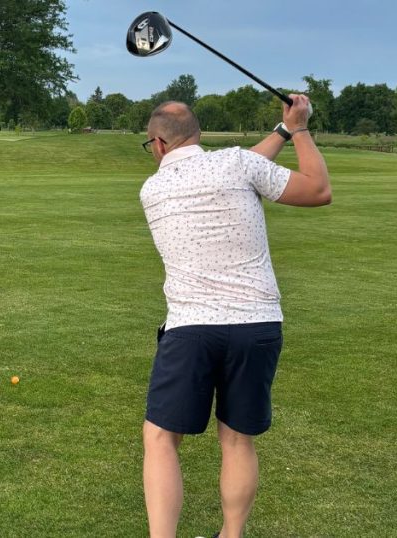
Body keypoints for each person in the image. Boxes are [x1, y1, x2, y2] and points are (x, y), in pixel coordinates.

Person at [139, 95, 330, 538]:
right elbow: (314, 187)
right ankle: (231, 535)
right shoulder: (237, 166)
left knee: (161, 438)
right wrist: (297, 129)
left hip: (191, 328)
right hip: (258, 325)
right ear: (197, 135)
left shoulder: (152, 189)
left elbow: (252, 171)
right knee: (237, 440)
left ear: (159, 145)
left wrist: (288, 131)